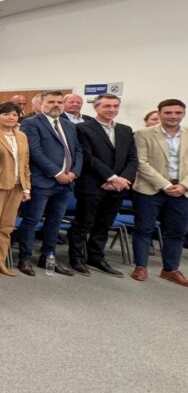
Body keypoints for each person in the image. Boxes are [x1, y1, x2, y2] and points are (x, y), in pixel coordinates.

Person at [70, 94, 137, 277]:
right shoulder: (82, 128)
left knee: (104, 224)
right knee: (83, 223)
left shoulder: (125, 130)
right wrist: (111, 177)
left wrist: (122, 179)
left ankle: (96, 257)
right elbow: (88, 157)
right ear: (96, 108)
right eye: (107, 106)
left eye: (115, 106)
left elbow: (132, 159)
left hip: (118, 187)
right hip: (92, 184)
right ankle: (76, 258)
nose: (111, 110)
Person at [18, 90, 82, 277]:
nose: (56, 105)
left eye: (59, 102)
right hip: (42, 181)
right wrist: (57, 173)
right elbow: (35, 152)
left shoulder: (68, 125)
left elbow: (77, 150)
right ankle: (25, 258)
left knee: (55, 222)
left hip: (66, 183)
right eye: (51, 102)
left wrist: (74, 172)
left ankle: (48, 258)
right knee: (31, 221)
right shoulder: (31, 123)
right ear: (42, 104)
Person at [131, 99, 188, 285]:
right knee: (144, 228)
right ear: (160, 113)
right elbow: (141, 163)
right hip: (150, 189)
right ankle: (140, 266)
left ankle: (170, 269)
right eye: (168, 112)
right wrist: (165, 185)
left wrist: (184, 185)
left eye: (178, 113)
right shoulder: (143, 134)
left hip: (182, 190)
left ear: (183, 114)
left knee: (177, 231)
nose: (173, 116)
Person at [0, 102, 30, 278]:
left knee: (7, 226)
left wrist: (27, 188)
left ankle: (1, 259)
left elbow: (25, 163)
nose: (11, 117)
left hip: (17, 185)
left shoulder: (22, 135)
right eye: (6, 114)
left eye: (14, 115)